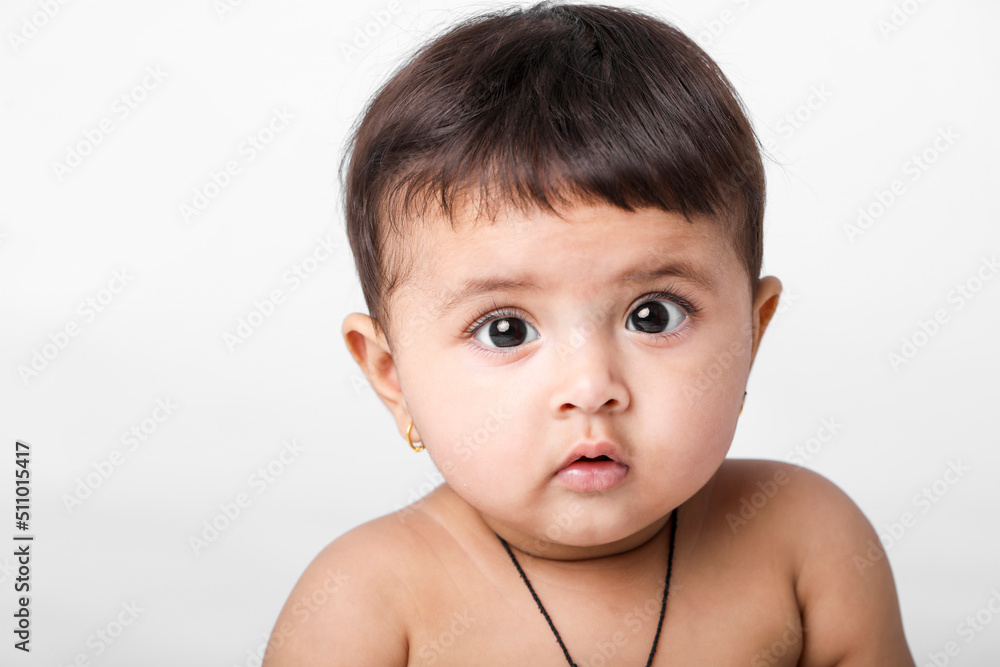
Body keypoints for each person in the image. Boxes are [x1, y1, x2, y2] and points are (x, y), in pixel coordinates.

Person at [263, 2, 915, 664]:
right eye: (506, 329)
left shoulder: (804, 543)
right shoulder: (367, 603)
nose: (590, 386)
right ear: (391, 373)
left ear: (752, 334)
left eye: (654, 315)